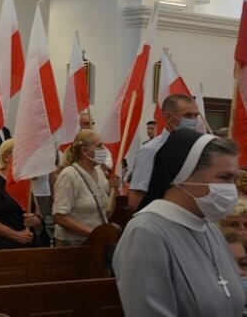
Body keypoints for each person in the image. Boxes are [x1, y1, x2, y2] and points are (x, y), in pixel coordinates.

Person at [113, 129, 244, 315]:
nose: (231, 188)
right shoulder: (146, 233)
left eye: (233, 179)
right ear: (185, 175)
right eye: (224, 178)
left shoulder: (209, 228)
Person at [129, 94, 201, 210]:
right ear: (168, 117)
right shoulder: (151, 150)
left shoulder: (196, 147)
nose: (193, 121)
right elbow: (136, 198)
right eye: (187, 116)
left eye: (196, 116)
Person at [53, 130, 119, 246]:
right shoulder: (69, 175)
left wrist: (113, 192)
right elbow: (59, 216)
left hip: (96, 243)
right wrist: (92, 233)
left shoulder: (99, 172)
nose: (103, 150)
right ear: (85, 151)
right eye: (99, 146)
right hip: (73, 245)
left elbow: (106, 213)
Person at [0, 139, 42, 249]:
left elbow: (38, 215)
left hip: (28, 243)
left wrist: (35, 220)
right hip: (2, 245)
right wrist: (16, 235)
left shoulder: (25, 180)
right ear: (7, 157)